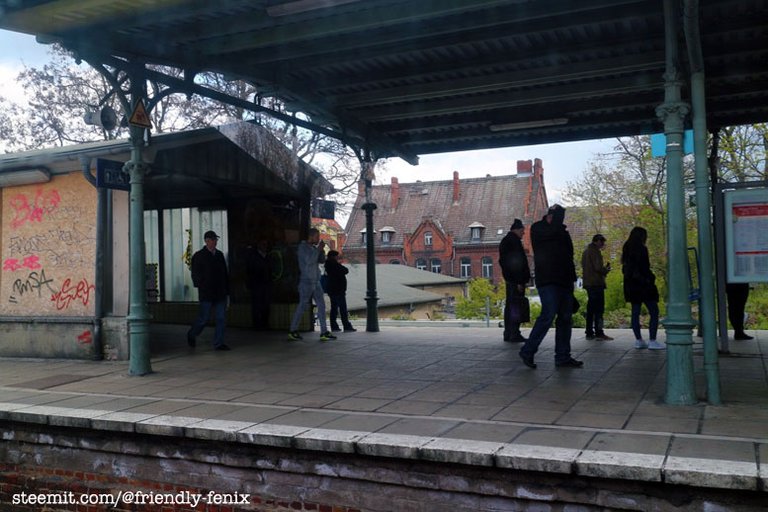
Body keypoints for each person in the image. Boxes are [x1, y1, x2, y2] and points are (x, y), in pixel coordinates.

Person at [519, 205, 582, 369]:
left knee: (565, 319)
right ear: (551, 217)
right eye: (559, 218)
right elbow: (552, 234)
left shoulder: (562, 233)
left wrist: (572, 281)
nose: (561, 223)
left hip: (564, 281)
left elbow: (569, 256)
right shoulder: (539, 229)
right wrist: (556, 223)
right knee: (548, 315)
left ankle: (563, 356)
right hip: (548, 280)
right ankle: (528, 350)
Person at [288, 228, 336, 342]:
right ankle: (293, 330)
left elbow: (321, 261)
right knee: (302, 306)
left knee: (322, 306)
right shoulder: (302, 248)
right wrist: (317, 250)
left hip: (316, 280)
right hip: (306, 281)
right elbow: (309, 261)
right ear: (311, 236)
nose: (318, 239)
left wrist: (321, 250)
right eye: (317, 236)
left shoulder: (314, 248)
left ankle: (324, 332)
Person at [621, 226, 664, 350]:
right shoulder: (642, 249)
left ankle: (639, 340)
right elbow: (645, 268)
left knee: (635, 312)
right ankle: (652, 340)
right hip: (644, 285)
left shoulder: (627, 248)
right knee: (654, 311)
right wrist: (650, 278)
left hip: (631, 286)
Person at [187, 230, 231, 351]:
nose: (215, 242)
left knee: (221, 318)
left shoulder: (219, 255)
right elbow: (195, 274)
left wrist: (227, 291)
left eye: (216, 240)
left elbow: (224, 274)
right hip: (207, 293)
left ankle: (219, 342)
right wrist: (201, 284)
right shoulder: (199, 256)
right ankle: (192, 333)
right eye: (213, 240)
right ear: (207, 241)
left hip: (220, 292)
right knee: (203, 318)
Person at [499, 218, 531, 342]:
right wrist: (519, 281)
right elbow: (516, 264)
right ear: (517, 230)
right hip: (515, 281)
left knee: (511, 306)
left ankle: (509, 332)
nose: (523, 233)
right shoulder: (513, 242)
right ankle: (514, 333)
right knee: (516, 306)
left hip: (511, 280)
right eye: (522, 231)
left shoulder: (507, 241)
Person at [581, 234, 613, 341]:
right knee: (599, 309)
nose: (603, 245)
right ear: (598, 241)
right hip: (596, 283)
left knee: (591, 309)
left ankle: (589, 331)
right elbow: (598, 268)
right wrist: (606, 270)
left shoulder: (586, 252)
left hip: (588, 283)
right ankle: (599, 332)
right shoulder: (595, 252)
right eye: (602, 242)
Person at [324, 250, 357, 333]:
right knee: (342, 309)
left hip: (333, 290)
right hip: (338, 290)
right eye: (336, 256)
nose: (338, 257)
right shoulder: (333, 264)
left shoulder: (329, 264)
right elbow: (345, 270)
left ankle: (334, 326)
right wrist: (339, 264)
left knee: (334, 309)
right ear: (333, 256)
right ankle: (346, 326)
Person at [245, 239, 271, 330]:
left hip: (265, 284)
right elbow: (250, 271)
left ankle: (264, 323)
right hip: (256, 284)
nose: (265, 246)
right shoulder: (254, 257)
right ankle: (257, 324)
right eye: (263, 244)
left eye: (266, 244)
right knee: (257, 305)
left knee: (265, 305)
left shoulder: (267, 256)